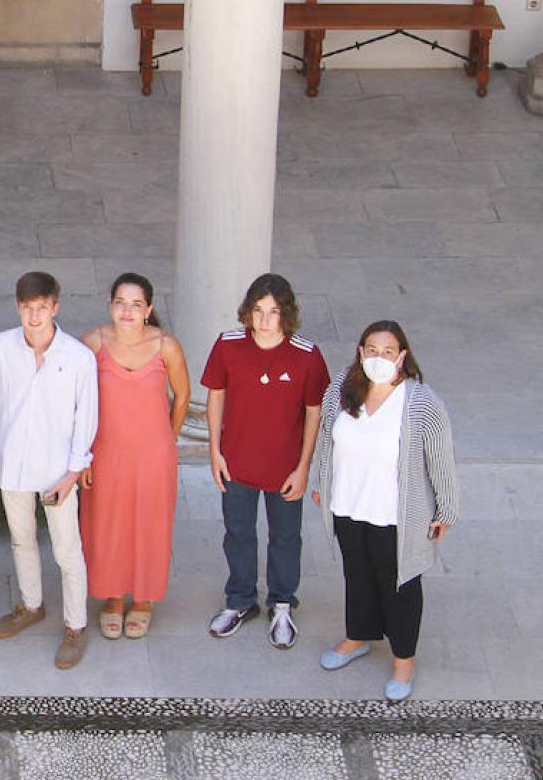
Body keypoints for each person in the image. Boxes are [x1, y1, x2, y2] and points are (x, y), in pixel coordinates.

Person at [310, 321, 459, 703]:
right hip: (348, 504)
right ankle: (357, 636)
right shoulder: (343, 387)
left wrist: (446, 509)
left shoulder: (421, 402)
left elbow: (440, 460)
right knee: (357, 575)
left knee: (401, 586)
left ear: (402, 357)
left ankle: (403, 661)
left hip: (395, 514)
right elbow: (327, 437)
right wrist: (320, 482)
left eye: (388, 351)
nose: (379, 357)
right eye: (371, 349)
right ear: (361, 353)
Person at [203, 272, 329, 649]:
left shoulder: (306, 355)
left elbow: (314, 413)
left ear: (286, 314)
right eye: (258, 310)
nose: (264, 320)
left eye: (273, 312)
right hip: (237, 464)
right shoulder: (227, 346)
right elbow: (216, 398)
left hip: (285, 469)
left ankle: (282, 603)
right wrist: (215, 452)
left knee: (286, 537)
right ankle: (240, 601)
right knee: (238, 533)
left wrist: (304, 467)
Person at [0, 271, 97, 670]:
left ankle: (76, 626)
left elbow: (87, 418)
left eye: (42, 308)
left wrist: (72, 473)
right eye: (27, 308)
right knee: (21, 540)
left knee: (67, 550)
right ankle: (31, 605)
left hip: (57, 471)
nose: (34, 316)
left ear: (55, 307)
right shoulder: (1, 346)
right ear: (18, 307)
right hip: (13, 462)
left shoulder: (79, 357)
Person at [77, 273, 191, 640]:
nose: (127, 310)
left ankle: (143, 599)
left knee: (149, 524)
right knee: (107, 524)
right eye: (120, 303)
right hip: (105, 452)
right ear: (110, 305)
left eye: (136, 304)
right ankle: (112, 597)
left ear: (149, 310)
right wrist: (82, 456)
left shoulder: (166, 346)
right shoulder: (92, 344)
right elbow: (74, 401)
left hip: (153, 455)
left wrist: (167, 440)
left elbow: (183, 397)